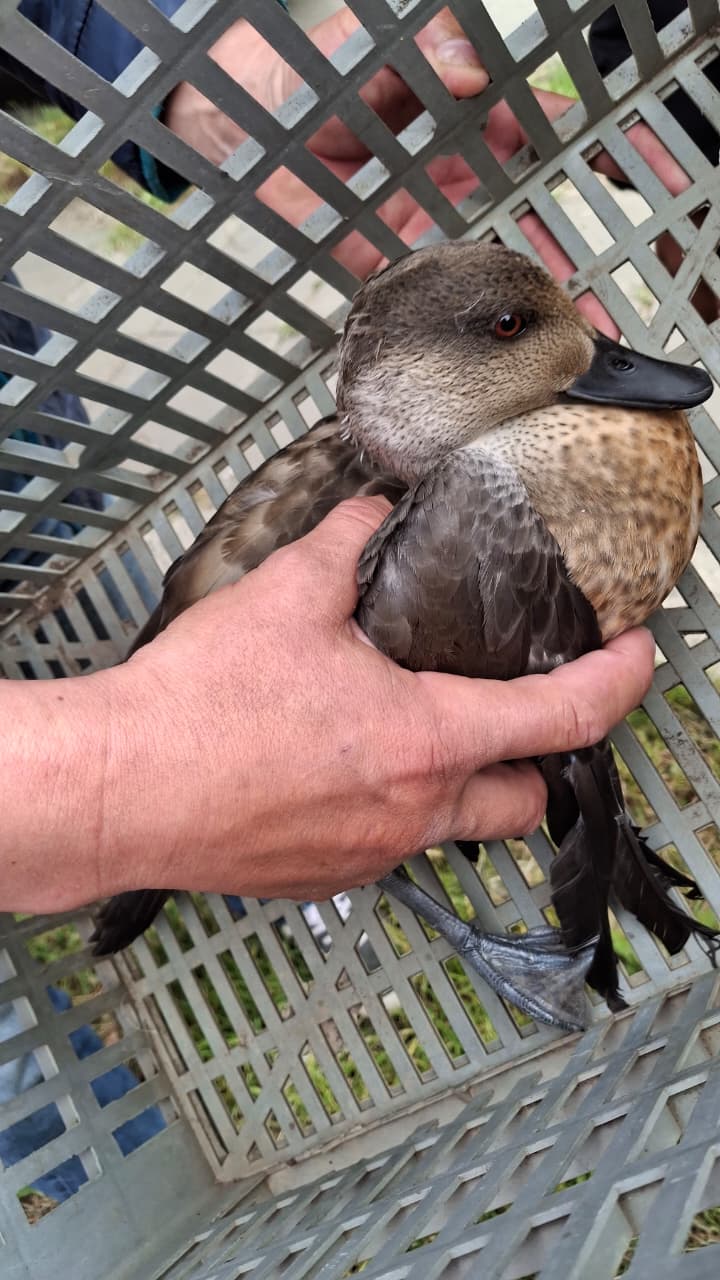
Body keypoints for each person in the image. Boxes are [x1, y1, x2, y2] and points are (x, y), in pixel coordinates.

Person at [0, 0, 683, 1205]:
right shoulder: (484, 527)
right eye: (526, 330)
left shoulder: (474, 464)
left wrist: (182, 79)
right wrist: (115, 784)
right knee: (75, 1173)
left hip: (22, 469)